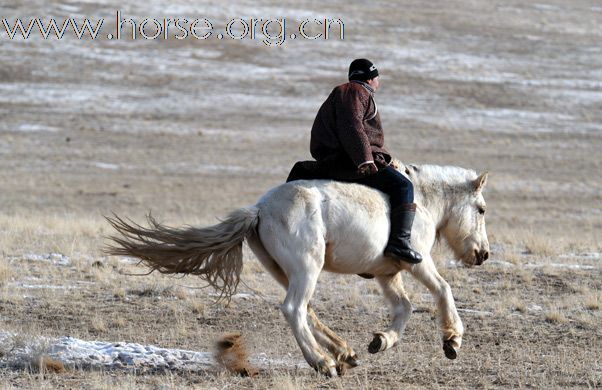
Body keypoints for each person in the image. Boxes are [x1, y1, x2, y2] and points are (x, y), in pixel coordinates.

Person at [294, 58, 422, 264]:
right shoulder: (355, 92)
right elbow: (352, 126)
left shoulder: (347, 92)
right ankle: (399, 243)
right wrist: (364, 160)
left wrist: (384, 160)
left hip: (341, 159)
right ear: (370, 78)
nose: (378, 81)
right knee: (403, 186)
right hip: (348, 162)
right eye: (377, 77)